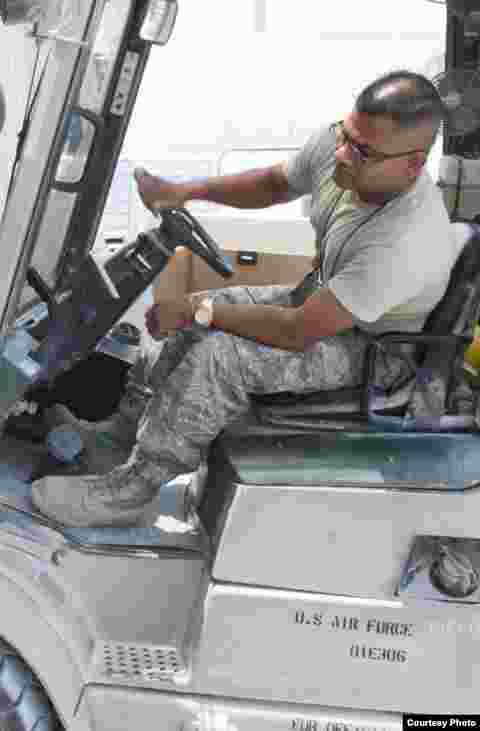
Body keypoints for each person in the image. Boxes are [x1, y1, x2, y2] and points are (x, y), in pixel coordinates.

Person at [30, 70, 458, 528]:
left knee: (222, 355)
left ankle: (133, 489)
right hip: (321, 297)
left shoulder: (406, 240)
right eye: (345, 136)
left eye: (362, 151)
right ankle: (120, 439)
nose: (342, 156)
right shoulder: (347, 152)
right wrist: (186, 192)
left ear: (413, 165)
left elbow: (298, 331)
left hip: (375, 351)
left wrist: (199, 311)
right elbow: (275, 183)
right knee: (200, 313)